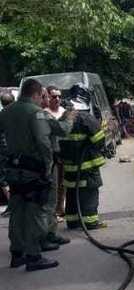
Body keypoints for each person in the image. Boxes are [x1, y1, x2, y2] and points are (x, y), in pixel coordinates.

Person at [0, 79, 60, 270]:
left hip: (13, 169)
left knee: (17, 211)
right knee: (34, 211)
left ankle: (17, 254)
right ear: (34, 94)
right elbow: (43, 142)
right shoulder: (35, 113)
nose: (42, 99)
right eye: (41, 95)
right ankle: (33, 256)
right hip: (33, 170)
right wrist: (48, 167)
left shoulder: (5, 112)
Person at [59, 95, 107, 230]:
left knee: (72, 193)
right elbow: (99, 141)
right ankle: (90, 222)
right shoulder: (86, 118)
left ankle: (72, 221)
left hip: (69, 166)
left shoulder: (62, 120)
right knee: (89, 193)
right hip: (87, 166)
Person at [44, 86, 67, 222]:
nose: (57, 99)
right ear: (48, 97)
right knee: (53, 183)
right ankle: (52, 212)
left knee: (64, 182)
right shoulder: (44, 113)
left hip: (64, 153)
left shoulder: (64, 112)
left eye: (59, 96)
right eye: (53, 96)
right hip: (51, 153)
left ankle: (60, 208)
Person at [0, 92, 15, 217]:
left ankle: (12, 206)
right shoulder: (20, 115)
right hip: (17, 151)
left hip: (3, 152)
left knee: (3, 179)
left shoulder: (2, 116)